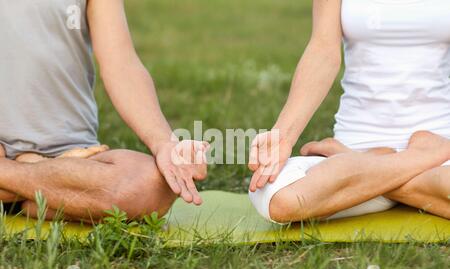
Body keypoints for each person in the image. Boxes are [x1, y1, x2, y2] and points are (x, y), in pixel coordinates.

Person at [0, 0, 208, 223]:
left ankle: (10, 182)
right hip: (59, 168)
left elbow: (120, 64)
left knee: (152, 184)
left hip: (74, 153)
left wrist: (163, 142)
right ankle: (49, 191)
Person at [248, 0, 450, 223]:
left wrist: (353, 164)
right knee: (280, 199)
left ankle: (375, 167)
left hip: (428, 151)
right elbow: (323, 51)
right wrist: (283, 136)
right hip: (358, 145)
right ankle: (420, 157)